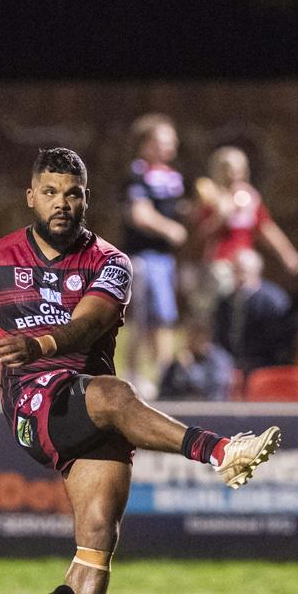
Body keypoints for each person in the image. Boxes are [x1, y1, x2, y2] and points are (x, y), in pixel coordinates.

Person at [0, 147, 281, 594]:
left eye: (72, 194)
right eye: (49, 192)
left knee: (97, 543)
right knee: (117, 394)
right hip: (34, 402)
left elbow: (89, 324)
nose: (61, 203)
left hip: (91, 406)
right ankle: (219, 452)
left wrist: (39, 341)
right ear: (30, 197)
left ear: (86, 200)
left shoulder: (110, 261)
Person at [119, 114, 187, 396]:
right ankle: (134, 374)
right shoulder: (138, 174)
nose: (169, 147)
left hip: (165, 259)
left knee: (165, 318)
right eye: (162, 142)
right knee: (144, 318)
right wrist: (169, 228)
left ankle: (163, 374)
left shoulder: (172, 177)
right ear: (146, 144)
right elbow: (139, 213)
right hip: (144, 258)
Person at [194, 145, 298, 279]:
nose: (233, 175)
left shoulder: (250, 197)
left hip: (246, 263)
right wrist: (221, 216)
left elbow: (266, 228)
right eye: (228, 170)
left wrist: (287, 253)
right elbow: (199, 235)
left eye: (238, 170)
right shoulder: (211, 198)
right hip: (221, 263)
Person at [212, 248, 297, 372]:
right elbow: (220, 337)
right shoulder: (225, 302)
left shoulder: (273, 300)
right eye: (235, 271)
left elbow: (281, 341)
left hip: (265, 365)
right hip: (231, 366)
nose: (239, 277)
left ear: (256, 272)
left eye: (243, 271)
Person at [158, 323, 235, 401]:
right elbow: (166, 387)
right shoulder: (184, 357)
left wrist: (190, 367)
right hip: (183, 408)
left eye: (194, 336)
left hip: (213, 408)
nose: (189, 341)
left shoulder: (219, 360)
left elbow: (210, 388)